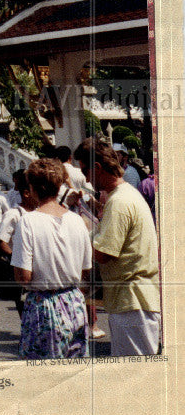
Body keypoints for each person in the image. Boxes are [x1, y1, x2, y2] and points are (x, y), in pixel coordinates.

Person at [74, 138, 160, 356]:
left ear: (97, 168)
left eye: (85, 171)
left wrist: (76, 236)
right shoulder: (125, 196)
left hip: (131, 302)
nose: (85, 178)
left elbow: (103, 253)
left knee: (133, 377)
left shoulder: (119, 202)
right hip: (132, 300)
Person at [11, 158, 91, 359]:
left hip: (43, 304)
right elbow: (85, 271)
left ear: (33, 187)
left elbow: (24, 277)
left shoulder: (27, 221)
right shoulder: (77, 221)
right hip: (74, 301)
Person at [0, 169, 35, 316]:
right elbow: (2, 242)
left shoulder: (40, 213)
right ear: (26, 193)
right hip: (22, 269)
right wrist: (18, 257)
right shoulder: (13, 215)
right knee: (24, 306)